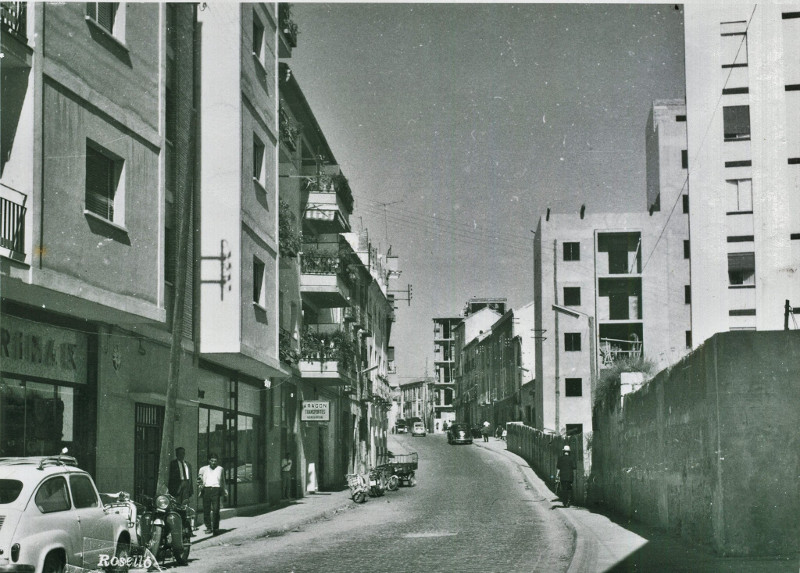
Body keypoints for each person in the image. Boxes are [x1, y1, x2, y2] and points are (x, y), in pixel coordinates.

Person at [197, 453, 227, 534]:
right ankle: (208, 527)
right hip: (206, 490)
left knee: (216, 510)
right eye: (212, 461)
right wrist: (200, 484)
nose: (214, 463)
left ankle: (215, 528)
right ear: (209, 461)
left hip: (216, 490)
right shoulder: (203, 469)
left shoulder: (220, 469)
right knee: (206, 510)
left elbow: (223, 481)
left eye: (215, 461)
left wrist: (225, 492)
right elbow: (199, 480)